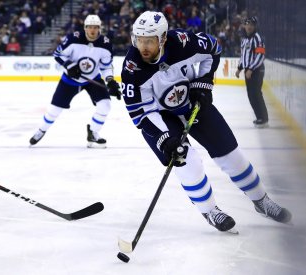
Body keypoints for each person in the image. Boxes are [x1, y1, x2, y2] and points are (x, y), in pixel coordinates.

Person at [120, 11, 291, 232]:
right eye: (139, 40)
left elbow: (213, 49)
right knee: (187, 160)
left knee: (231, 154)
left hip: (192, 103)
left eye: (149, 41)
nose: (143, 47)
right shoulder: (132, 68)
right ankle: (210, 210)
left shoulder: (183, 43)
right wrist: (164, 139)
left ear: (162, 38)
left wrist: (203, 82)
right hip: (160, 118)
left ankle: (261, 201)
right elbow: (140, 113)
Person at [29, 14, 122, 148]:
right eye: (90, 27)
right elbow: (58, 54)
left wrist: (110, 81)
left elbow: (106, 66)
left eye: (95, 27)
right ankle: (41, 130)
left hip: (92, 79)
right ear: (85, 28)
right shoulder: (74, 39)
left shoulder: (105, 44)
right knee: (54, 110)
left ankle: (93, 133)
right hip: (70, 80)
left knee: (105, 105)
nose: (92, 30)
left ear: (99, 29)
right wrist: (69, 66)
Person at [235, 16, 268, 128]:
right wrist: (239, 68)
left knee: (256, 94)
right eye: (247, 24)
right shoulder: (244, 40)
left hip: (257, 71)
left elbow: (261, 55)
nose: (249, 26)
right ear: (244, 26)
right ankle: (259, 117)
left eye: (251, 25)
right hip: (248, 71)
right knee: (251, 95)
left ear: (254, 26)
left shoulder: (257, 38)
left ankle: (263, 118)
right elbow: (243, 56)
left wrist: (251, 69)